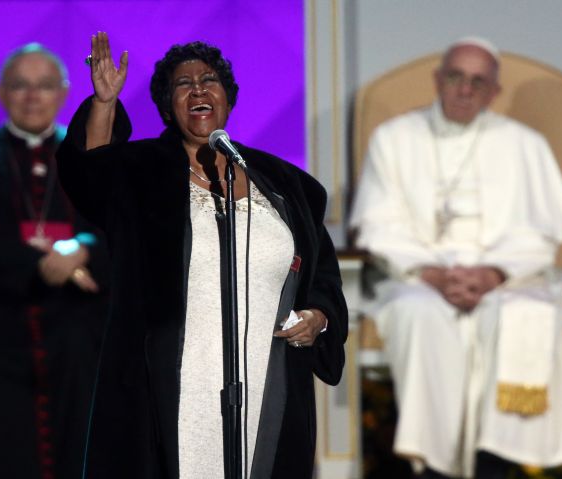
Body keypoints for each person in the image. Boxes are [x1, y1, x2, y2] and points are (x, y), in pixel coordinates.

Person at [56, 32, 348, 478]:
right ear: (168, 105)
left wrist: (319, 318)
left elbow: (323, 276)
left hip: (267, 375)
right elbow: (90, 177)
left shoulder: (291, 186)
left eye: (209, 79)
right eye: (182, 83)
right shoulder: (144, 172)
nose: (197, 88)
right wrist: (104, 103)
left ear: (226, 98)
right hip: (170, 379)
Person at [349, 37, 562, 479]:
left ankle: (495, 463)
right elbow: (378, 224)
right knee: (418, 315)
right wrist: (431, 274)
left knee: (520, 314)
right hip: (418, 279)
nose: (465, 90)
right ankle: (436, 469)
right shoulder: (394, 139)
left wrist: (492, 273)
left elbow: (541, 235)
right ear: (438, 80)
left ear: (494, 92)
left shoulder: (524, 144)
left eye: (477, 82)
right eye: (455, 77)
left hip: (507, 280)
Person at [0, 43, 110, 478]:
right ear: (1, 94)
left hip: (77, 344)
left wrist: (85, 247)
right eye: (21, 86)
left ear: (63, 93)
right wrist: (38, 263)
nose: (33, 96)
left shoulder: (87, 159)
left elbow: (118, 227)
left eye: (44, 86)